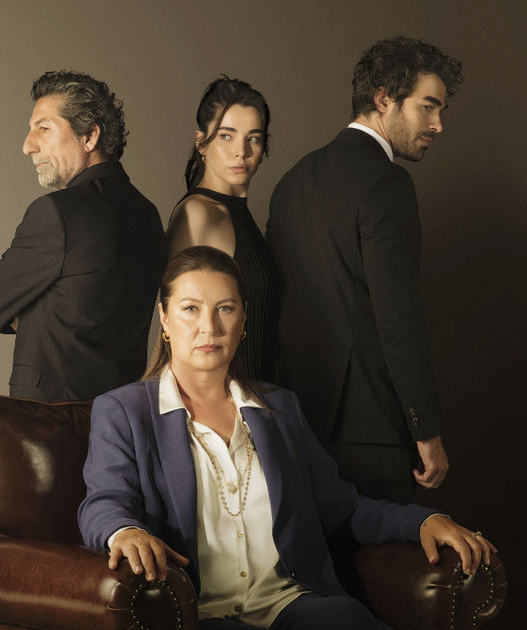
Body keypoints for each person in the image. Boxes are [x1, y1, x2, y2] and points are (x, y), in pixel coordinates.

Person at [78, 246, 496, 629]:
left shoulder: (279, 409)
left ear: (243, 320)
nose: (209, 326)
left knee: (347, 619)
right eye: (190, 309)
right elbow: (103, 503)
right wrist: (124, 531)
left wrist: (423, 520)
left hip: (289, 604)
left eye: (225, 308)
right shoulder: (123, 411)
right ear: (165, 319)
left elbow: (341, 508)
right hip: (199, 613)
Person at [266, 37, 463, 503]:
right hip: (371, 432)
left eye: (441, 110)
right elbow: (398, 317)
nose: (438, 124)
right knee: (382, 548)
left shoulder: (292, 180)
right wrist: (425, 429)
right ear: (383, 98)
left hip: (296, 423)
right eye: (428, 107)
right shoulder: (388, 183)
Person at [0, 70, 166, 402]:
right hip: (124, 416)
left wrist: (35, 314)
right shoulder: (149, 215)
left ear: (89, 136)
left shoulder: (56, 213)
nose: (28, 146)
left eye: (43, 128)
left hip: (50, 421)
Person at [166, 77, 281, 382]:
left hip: (260, 393)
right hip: (224, 396)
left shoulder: (239, 215)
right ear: (201, 142)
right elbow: (179, 324)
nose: (241, 151)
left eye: (253, 138)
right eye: (226, 136)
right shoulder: (198, 213)